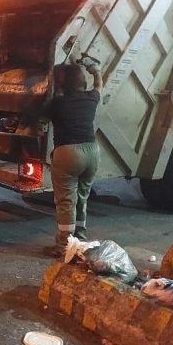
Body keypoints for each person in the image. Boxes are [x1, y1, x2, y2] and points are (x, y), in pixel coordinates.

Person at [48, 58, 103, 256]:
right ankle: (80, 237)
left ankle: (64, 246)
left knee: (66, 201)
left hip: (69, 153)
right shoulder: (91, 99)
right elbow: (99, 85)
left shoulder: (57, 103)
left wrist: (52, 80)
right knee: (82, 196)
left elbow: (42, 110)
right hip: (92, 151)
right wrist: (95, 70)